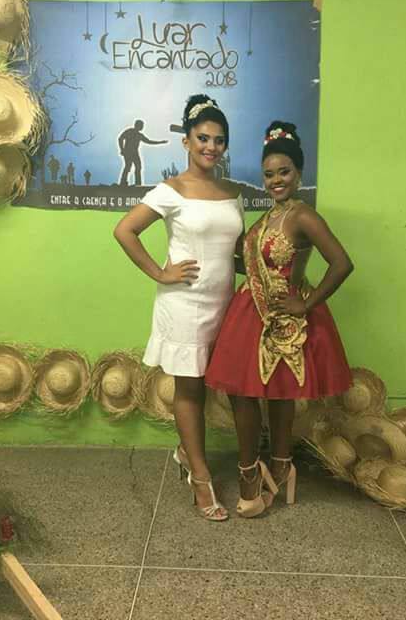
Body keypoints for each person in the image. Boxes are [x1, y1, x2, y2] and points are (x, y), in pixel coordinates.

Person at [206, 121, 354, 518]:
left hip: (285, 318)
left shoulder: (304, 216)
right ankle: (255, 470)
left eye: (284, 172)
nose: (275, 180)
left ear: (299, 174)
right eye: (269, 174)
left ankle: (278, 467)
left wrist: (308, 303)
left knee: (280, 392)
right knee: (247, 393)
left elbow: (341, 263)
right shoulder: (268, 216)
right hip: (250, 312)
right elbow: (256, 264)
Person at [114, 95, 244, 521]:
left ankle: (186, 452)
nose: (211, 146)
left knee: (215, 383)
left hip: (225, 303)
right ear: (187, 141)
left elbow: (235, 251)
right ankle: (200, 477)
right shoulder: (171, 190)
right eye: (203, 138)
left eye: (219, 140)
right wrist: (160, 272)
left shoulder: (233, 193)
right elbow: (125, 230)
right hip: (186, 303)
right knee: (190, 387)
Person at [118, 120, 168, 186]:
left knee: (138, 167)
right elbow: (120, 138)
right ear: (137, 125)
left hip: (135, 153)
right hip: (128, 152)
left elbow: (149, 141)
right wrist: (122, 149)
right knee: (128, 166)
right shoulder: (129, 131)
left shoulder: (139, 135)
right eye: (141, 125)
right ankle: (123, 182)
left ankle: (138, 183)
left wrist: (160, 142)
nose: (142, 127)